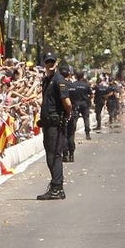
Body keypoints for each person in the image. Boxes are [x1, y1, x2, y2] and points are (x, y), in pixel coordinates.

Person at [37, 52, 72, 200]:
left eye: (52, 62)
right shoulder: (47, 80)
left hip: (55, 123)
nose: (50, 65)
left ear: (56, 63)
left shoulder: (59, 80)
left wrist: (66, 115)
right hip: (47, 122)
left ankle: (57, 187)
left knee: (54, 156)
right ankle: (56, 186)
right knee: (50, 156)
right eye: (47, 62)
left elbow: (67, 103)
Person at [64, 69, 93, 161]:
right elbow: (91, 94)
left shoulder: (73, 85)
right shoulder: (84, 85)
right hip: (81, 105)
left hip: (72, 107)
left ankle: (66, 154)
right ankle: (87, 133)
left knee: (66, 131)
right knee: (86, 119)